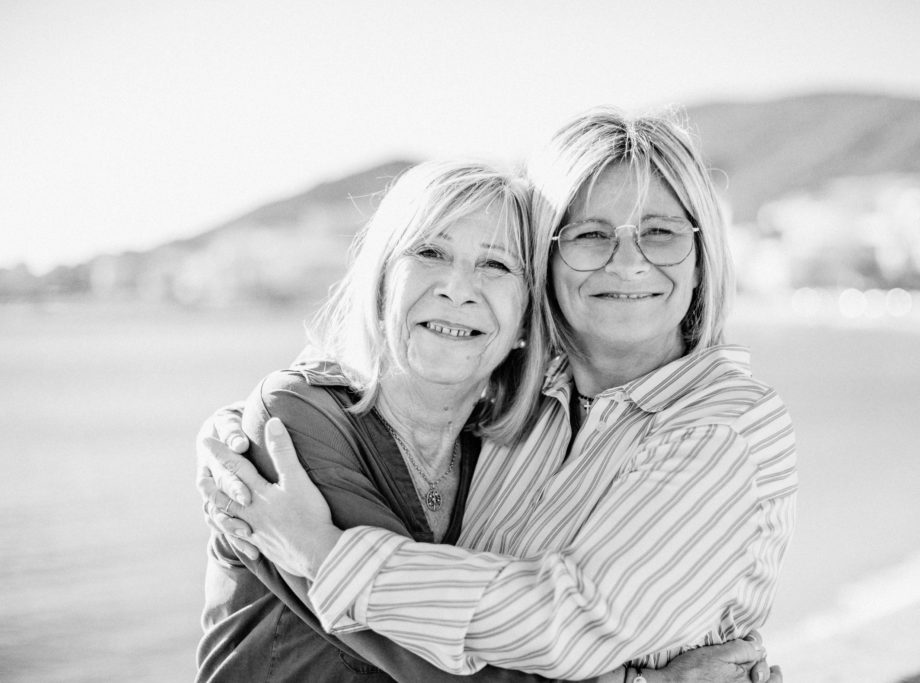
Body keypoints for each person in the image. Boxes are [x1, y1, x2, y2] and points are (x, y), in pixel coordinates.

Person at [200, 108, 795, 681]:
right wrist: (247, 428)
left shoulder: (720, 427)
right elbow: (435, 651)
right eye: (591, 235)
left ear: (703, 255)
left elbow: (572, 623)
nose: (628, 263)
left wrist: (327, 555)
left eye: (661, 233)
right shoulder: (523, 414)